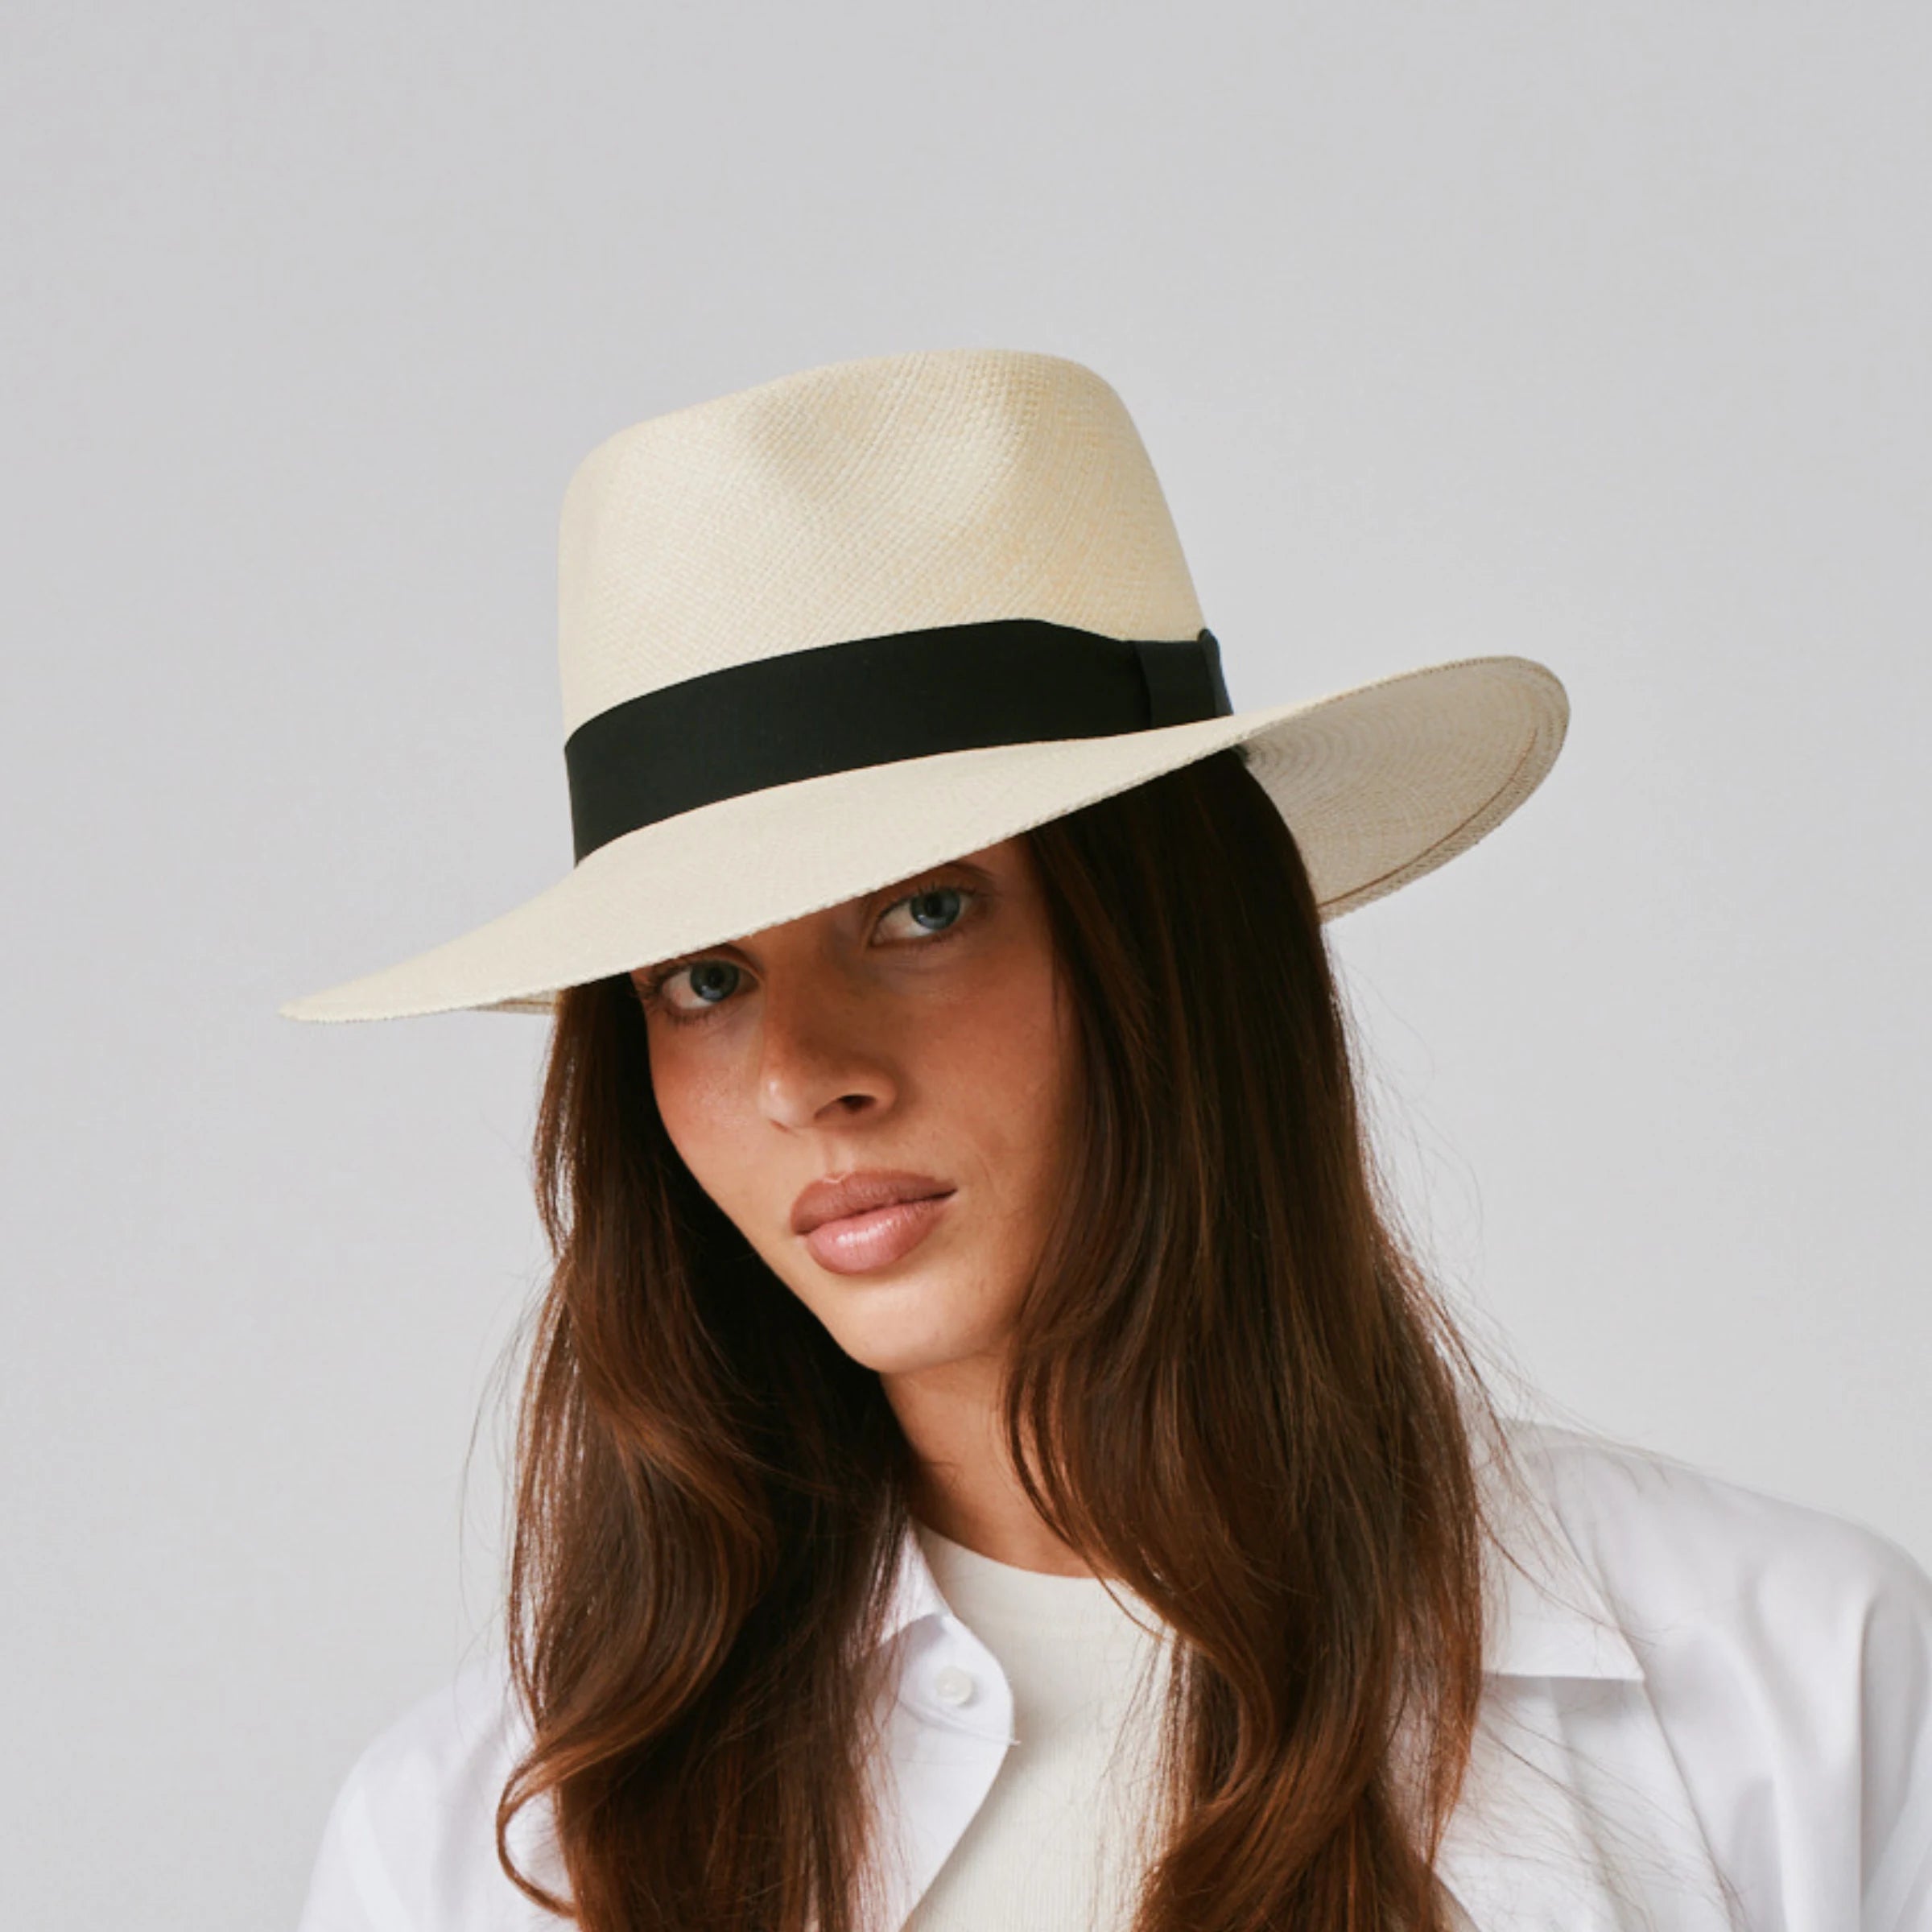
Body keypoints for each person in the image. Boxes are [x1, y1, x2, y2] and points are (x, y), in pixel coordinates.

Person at [282, 348, 1932, 1932]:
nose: (801, 1074)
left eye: (925, 909)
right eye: (705, 978)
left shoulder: (1797, 1682)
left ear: (1175, 939)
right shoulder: (478, 1850)